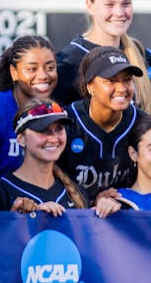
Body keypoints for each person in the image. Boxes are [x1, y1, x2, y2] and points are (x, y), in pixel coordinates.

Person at [53, 0, 151, 112]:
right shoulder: (68, 61)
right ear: (90, 6)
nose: (119, 13)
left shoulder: (136, 51)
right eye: (109, 5)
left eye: (126, 4)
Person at [61, 46, 143, 201]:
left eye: (127, 80)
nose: (121, 88)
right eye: (111, 80)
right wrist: (91, 200)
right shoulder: (65, 122)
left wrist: (121, 199)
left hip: (124, 216)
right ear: (89, 85)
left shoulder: (143, 124)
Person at [0, 36, 55, 184]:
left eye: (50, 68)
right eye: (32, 69)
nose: (43, 75)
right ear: (14, 72)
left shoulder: (55, 110)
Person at [0, 98, 94, 216]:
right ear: (21, 139)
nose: (53, 138)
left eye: (59, 129)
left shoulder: (77, 192)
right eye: (43, 130)